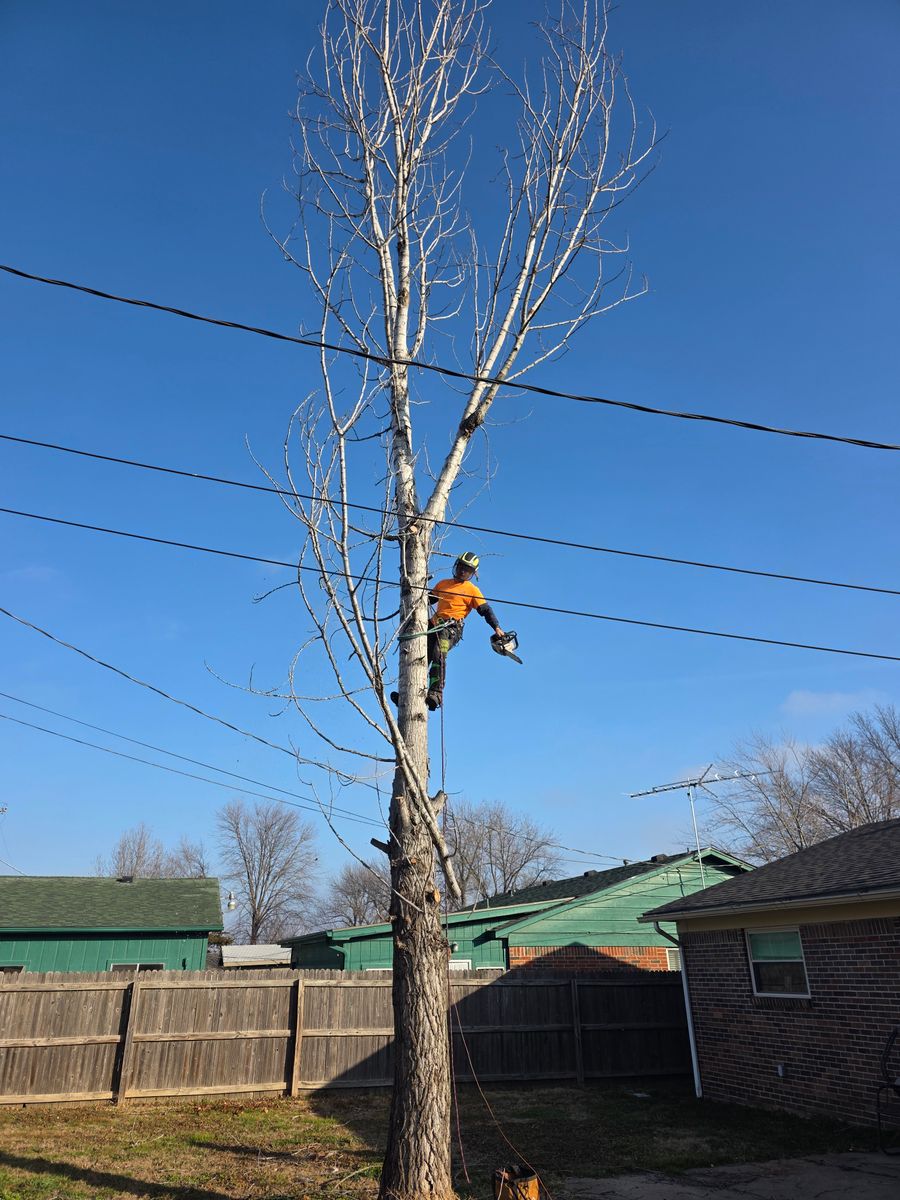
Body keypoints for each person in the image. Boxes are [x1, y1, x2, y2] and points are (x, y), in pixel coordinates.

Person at [424, 551, 504, 710]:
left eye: (467, 570)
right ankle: (409, 693)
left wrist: (496, 627)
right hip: (433, 625)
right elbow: (427, 600)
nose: (462, 571)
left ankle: (436, 694)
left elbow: (486, 610)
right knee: (420, 655)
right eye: (461, 567)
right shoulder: (443, 584)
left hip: (451, 628)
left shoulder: (472, 590)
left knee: (438, 653)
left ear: (472, 573)